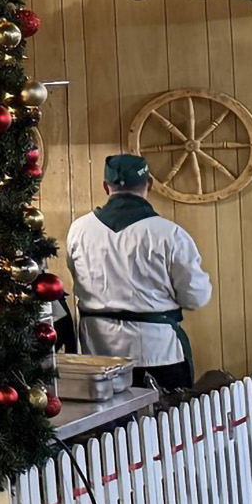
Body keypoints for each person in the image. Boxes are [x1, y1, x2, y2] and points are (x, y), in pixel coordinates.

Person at [66, 154, 214, 391]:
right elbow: (195, 297)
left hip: (98, 353)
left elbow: (76, 277)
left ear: (105, 186)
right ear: (150, 184)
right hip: (157, 352)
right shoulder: (169, 234)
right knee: (168, 414)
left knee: (109, 416)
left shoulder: (79, 230)